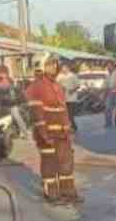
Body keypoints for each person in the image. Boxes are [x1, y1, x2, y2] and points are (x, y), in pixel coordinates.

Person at [26, 53, 82, 205]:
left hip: (62, 134)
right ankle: (51, 193)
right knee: (50, 164)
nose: (54, 67)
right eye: (50, 64)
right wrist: (43, 134)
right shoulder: (36, 87)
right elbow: (37, 114)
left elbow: (64, 111)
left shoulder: (58, 86)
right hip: (47, 134)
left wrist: (68, 130)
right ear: (41, 66)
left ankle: (68, 192)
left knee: (66, 163)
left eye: (55, 64)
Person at [0, 64, 30, 139]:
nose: (2, 74)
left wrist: (20, 99)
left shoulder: (11, 81)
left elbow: (17, 92)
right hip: (1, 104)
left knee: (16, 114)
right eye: (0, 73)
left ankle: (23, 132)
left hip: (12, 104)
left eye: (4, 73)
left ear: (7, 73)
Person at [56, 61, 81, 132]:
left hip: (71, 99)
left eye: (64, 68)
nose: (63, 69)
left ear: (68, 68)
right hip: (62, 98)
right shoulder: (60, 76)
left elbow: (78, 85)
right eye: (62, 68)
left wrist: (72, 90)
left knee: (70, 115)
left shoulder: (72, 76)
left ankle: (73, 127)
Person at [104, 61, 116, 128]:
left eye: (109, 66)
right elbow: (105, 84)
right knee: (107, 108)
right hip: (110, 92)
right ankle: (108, 123)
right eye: (107, 66)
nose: (108, 67)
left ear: (113, 66)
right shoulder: (107, 74)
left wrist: (115, 86)